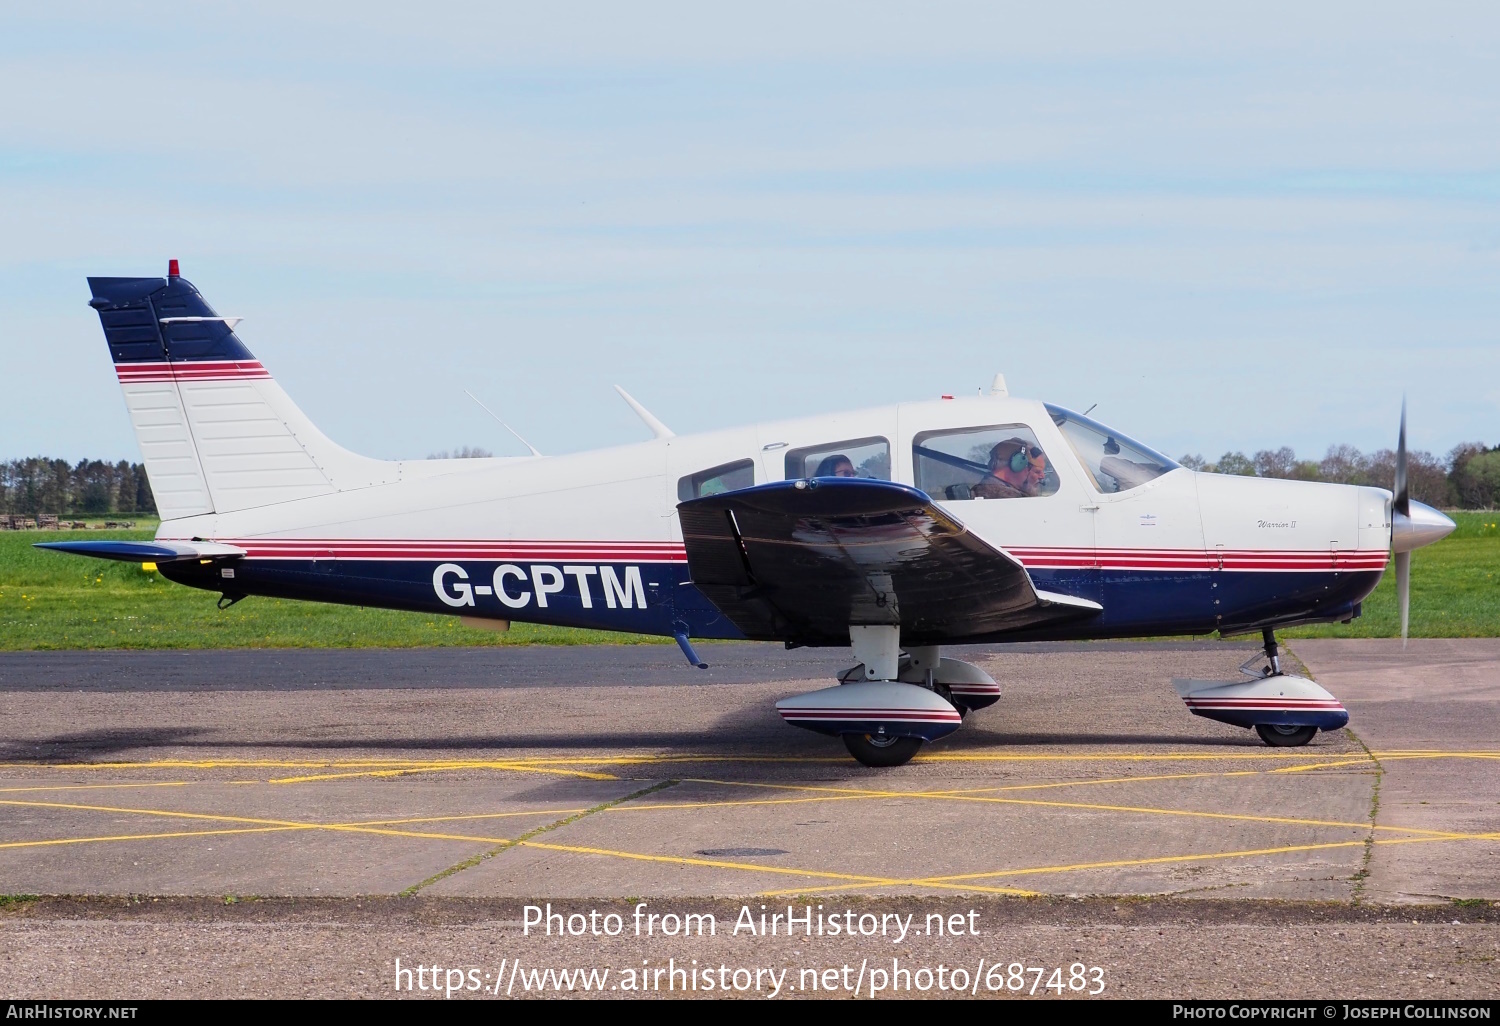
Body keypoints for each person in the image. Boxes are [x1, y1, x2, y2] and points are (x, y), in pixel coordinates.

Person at [971, 438, 1048, 498]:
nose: (1028, 471)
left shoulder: (985, 489)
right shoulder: (1007, 498)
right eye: (1028, 466)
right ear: (1018, 465)